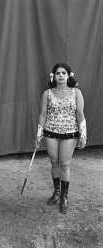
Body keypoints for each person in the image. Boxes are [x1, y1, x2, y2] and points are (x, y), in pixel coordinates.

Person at [35, 63, 87, 214]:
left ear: (68, 75)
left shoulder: (76, 93)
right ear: (54, 76)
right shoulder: (47, 93)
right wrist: (39, 134)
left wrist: (83, 135)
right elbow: (43, 115)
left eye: (64, 73)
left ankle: (64, 196)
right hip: (50, 132)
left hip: (69, 132)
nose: (61, 75)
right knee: (54, 162)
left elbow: (80, 114)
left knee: (64, 164)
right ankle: (56, 192)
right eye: (58, 73)